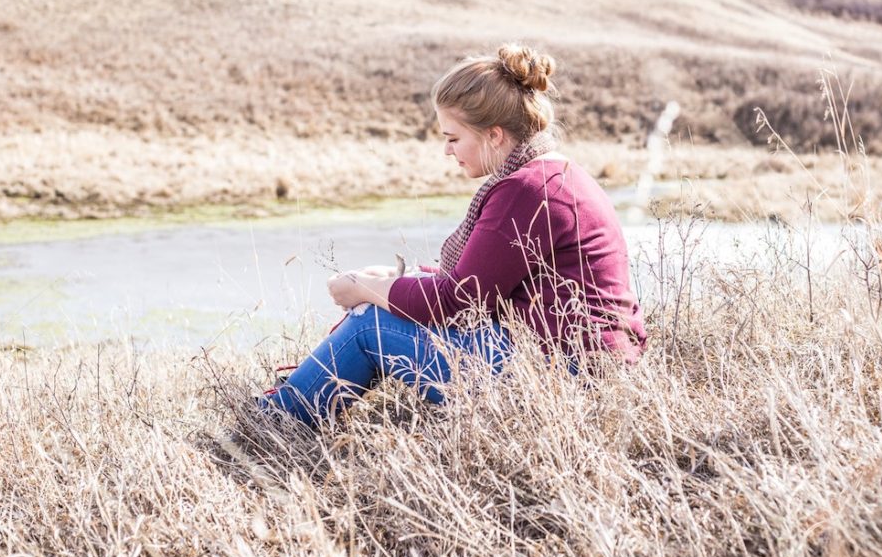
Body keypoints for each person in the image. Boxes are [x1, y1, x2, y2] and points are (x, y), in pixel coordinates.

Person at [261, 44, 646, 425]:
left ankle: (274, 421)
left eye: (453, 138)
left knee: (369, 325)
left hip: (564, 377)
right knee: (382, 306)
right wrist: (401, 279)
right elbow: (485, 283)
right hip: (587, 366)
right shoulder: (554, 174)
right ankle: (291, 401)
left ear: (494, 135)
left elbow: (459, 302)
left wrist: (362, 287)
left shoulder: (528, 190)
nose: (447, 151)